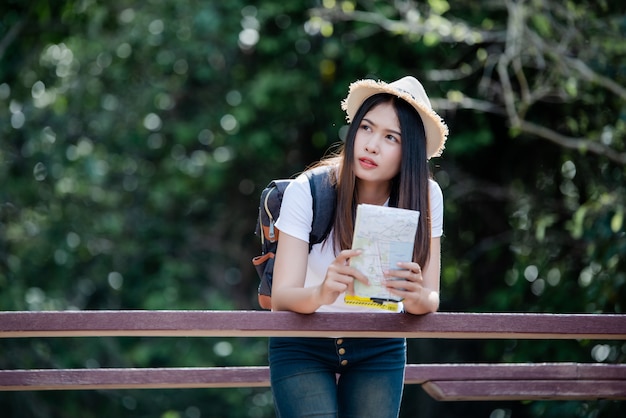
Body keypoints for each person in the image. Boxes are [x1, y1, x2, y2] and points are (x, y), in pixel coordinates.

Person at [268, 75, 448, 418]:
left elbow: (431, 297)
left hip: (379, 344)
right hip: (302, 341)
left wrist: (414, 296)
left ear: (409, 150)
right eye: (365, 128)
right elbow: (281, 298)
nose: (371, 145)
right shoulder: (308, 190)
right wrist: (322, 291)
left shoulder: (426, 196)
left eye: (390, 137)